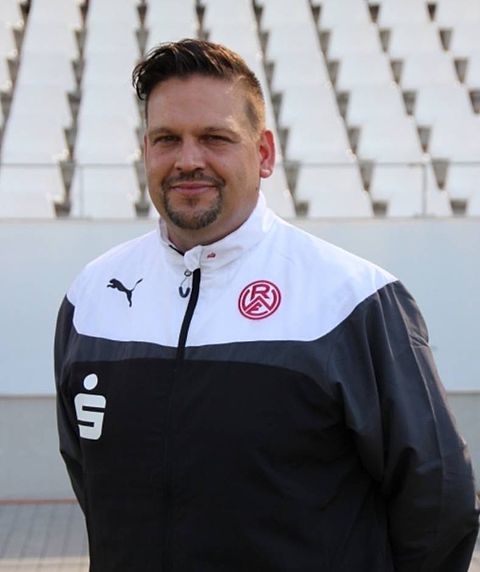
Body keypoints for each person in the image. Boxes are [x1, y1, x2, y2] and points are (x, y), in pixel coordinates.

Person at [55, 39, 479, 571]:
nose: (189, 160)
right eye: (167, 139)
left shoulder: (354, 299)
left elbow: (438, 501)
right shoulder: (91, 297)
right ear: (146, 151)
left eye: (215, 138)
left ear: (263, 154)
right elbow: (93, 480)